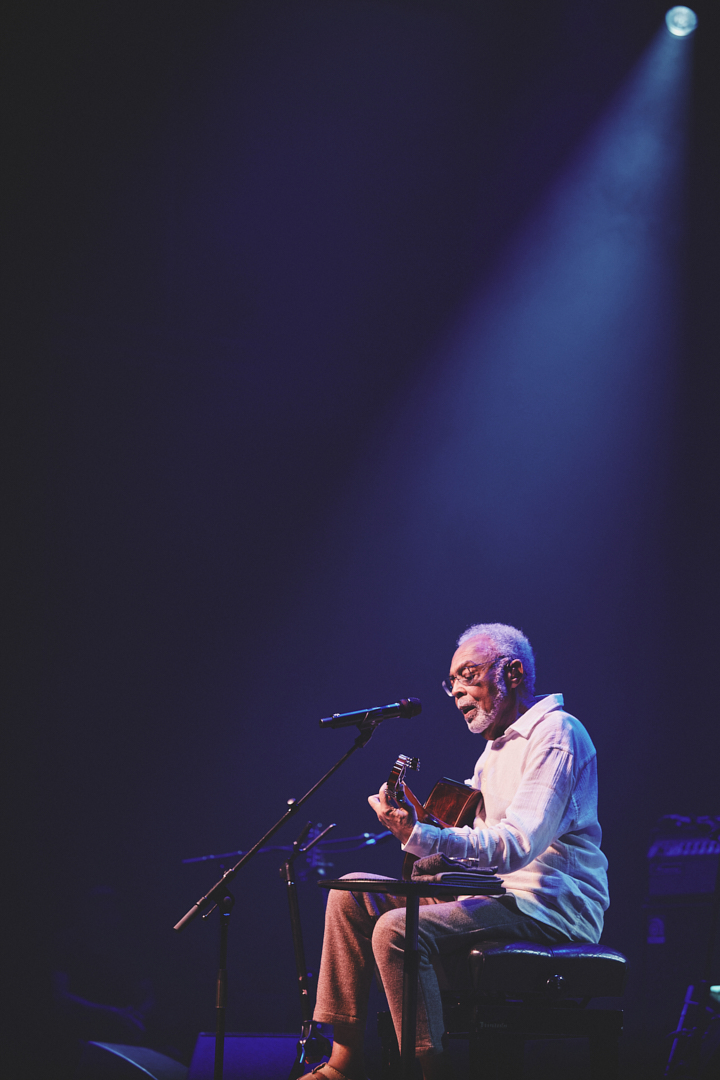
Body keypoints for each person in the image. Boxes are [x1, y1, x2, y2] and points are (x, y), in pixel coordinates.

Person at [302, 623, 609, 1080]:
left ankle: (432, 1071)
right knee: (349, 893)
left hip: (548, 904)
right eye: (452, 682)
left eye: (468, 675)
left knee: (396, 929)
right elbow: (464, 840)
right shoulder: (493, 751)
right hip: (494, 895)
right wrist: (413, 822)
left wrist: (420, 836)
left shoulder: (557, 734)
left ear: (514, 673)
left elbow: (515, 846)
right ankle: (343, 1061)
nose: (457, 692)